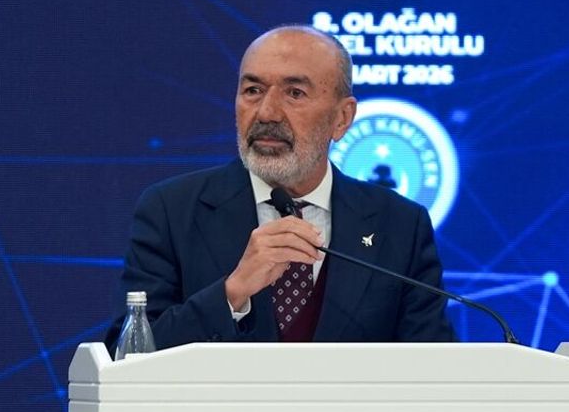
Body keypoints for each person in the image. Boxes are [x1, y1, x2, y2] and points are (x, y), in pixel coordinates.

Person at [108, 25, 455, 348]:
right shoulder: (172, 210)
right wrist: (232, 293)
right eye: (253, 90)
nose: (267, 113)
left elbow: (435, 369)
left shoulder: (399, 225)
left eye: (295, 93)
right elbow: (129, 354)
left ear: (342, 118)